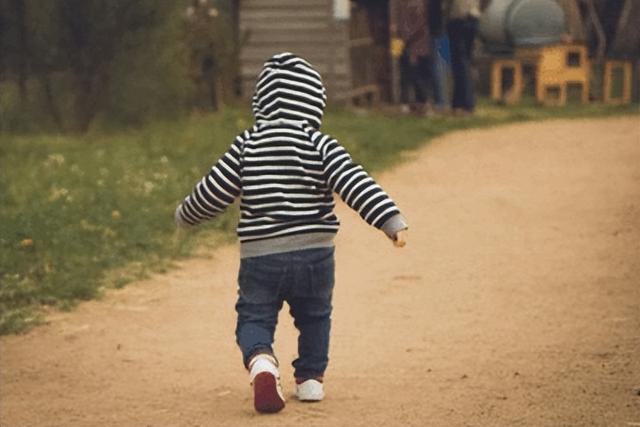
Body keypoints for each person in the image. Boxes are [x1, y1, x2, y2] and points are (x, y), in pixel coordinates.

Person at [174, 52, 408, 414]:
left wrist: (186, 215)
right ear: (315, 101)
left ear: (261, 102)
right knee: (315, 316)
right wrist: (389, 220)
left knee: (254, 317)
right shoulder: (320, 143)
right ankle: (311, 379)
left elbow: (213, 190)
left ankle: (262, 362)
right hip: (315, 254)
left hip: (261, 257)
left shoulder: (246, 145)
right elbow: (354, 182)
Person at [445, 0, 482, 114]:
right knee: (465, 62)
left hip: (458, 19)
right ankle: (458, 103)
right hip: (473, 17)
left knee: (460, 64)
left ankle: (466, 104)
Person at [398, 0, 433, 114]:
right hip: (414, 44)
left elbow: (417, 27)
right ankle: (419, 102)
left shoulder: (415, 4)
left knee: (415, 74)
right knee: (411, 73)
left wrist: (405, 37)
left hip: (415, 46)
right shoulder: (416, 4)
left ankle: (423, 102)